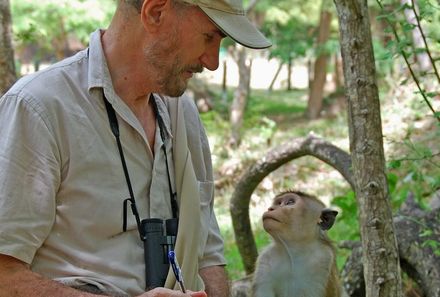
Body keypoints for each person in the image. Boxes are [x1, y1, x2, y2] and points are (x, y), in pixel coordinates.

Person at [0, 0, 271, 296]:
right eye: (209, 37)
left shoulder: (183, 115)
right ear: (155, 12)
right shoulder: (39, 108)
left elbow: (208, 256)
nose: (212, 61)